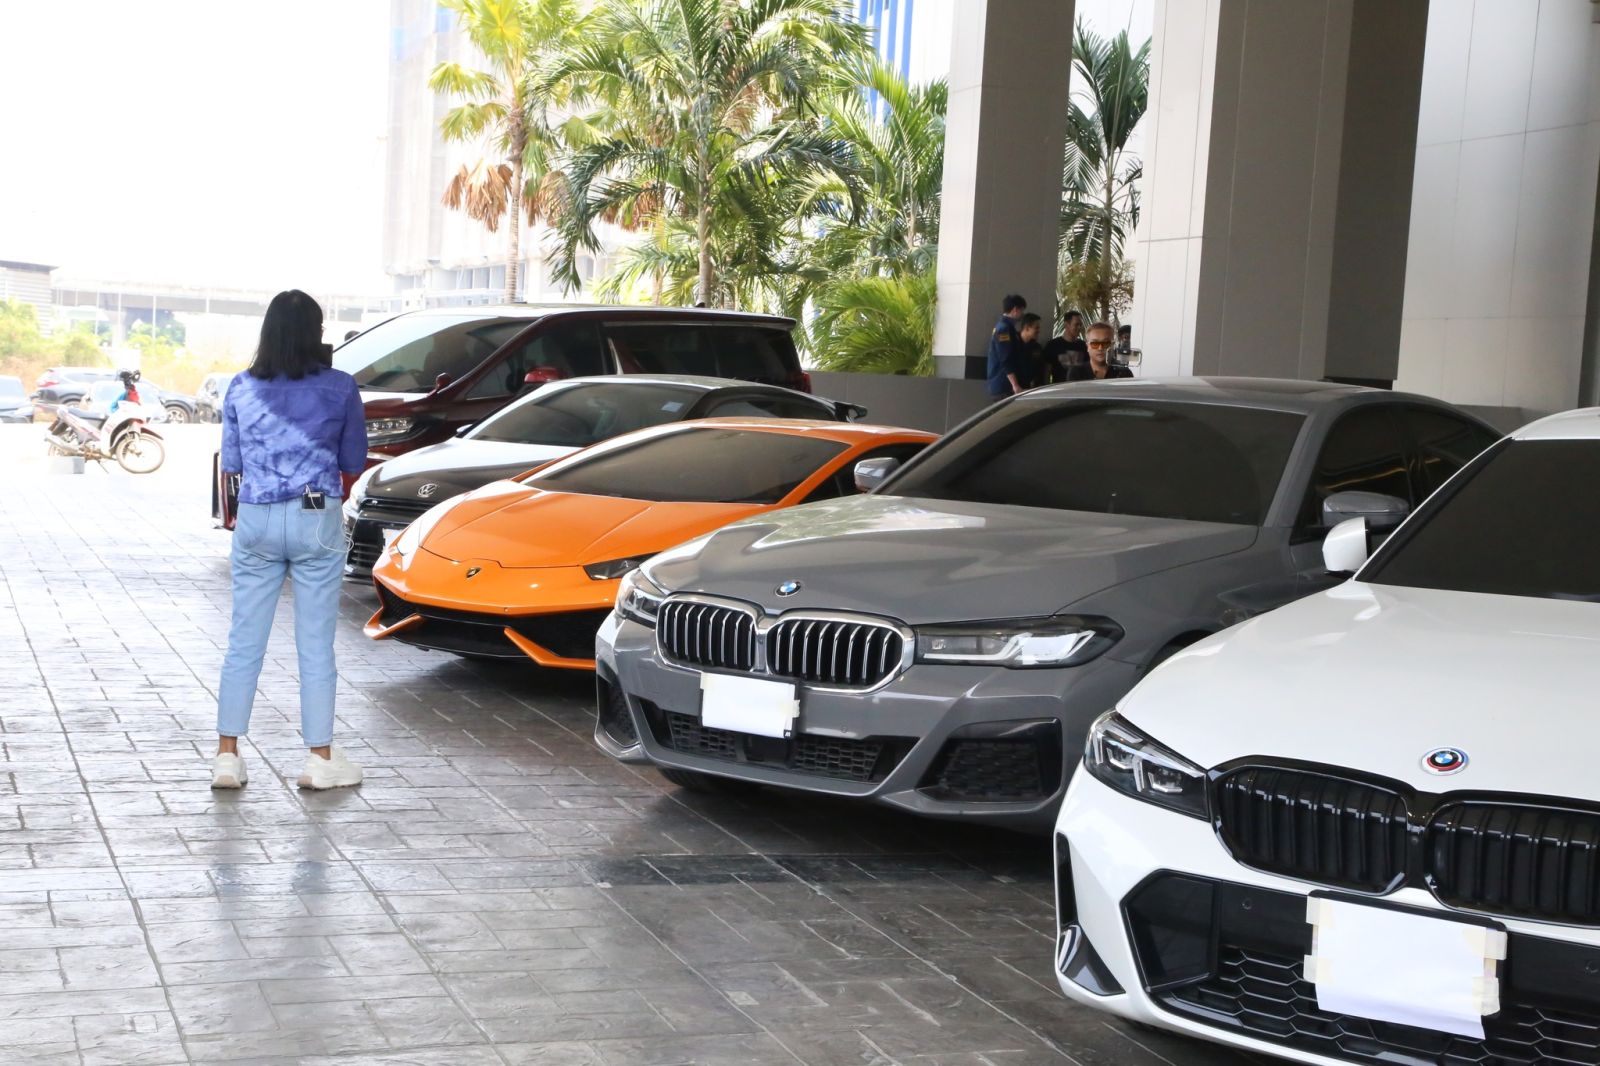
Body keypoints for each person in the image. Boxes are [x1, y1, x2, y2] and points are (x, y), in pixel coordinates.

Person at [212, 290, 369, 791]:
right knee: (316, 643)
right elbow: (353, 462)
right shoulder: (341, 387)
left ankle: (227, 757)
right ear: (316, 334)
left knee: (244, 640)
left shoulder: (240, 387)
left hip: (257, 515)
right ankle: (320, 759)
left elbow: (232, 463)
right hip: (315, 516)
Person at [985, 294, 1028, 400]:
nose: (1022, 314)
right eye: (1022, 310)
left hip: (1004, 385)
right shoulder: (1004, 329)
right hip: (1004, 386)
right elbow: (1005, 358)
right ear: (1015, 309)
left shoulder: (1006, 327)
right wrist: (1015, 384)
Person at [1065, 321, 1134, 381]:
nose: (1100, 348)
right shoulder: (1076, 372)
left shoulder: (1125, 373)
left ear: (1112, 345)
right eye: (1095, 343)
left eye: (1106, 343)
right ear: (1087, 347)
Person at [1041, 311, 1088, 384]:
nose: (1079, 327)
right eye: (1076, 324)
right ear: (1066, 325)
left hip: (1079, 387)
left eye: (1080, 325)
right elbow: (1047, 371)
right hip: (1059, 388)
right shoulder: (1053, 345)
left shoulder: (1083, 345)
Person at [1017, 313, 1046, 387]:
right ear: (1027, 328)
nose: (1039, 331)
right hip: (1014, 388)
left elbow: (1040, 369)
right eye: (1036, 328)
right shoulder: (1013, 344)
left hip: (1032, 389)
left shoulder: (1037, 347)